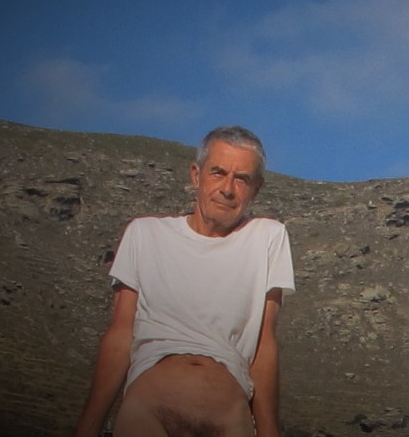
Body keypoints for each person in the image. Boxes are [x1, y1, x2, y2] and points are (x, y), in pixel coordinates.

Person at [72, 126, 295, 437]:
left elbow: (264, 344)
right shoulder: (144, 233)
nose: (228, 189)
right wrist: (87, 429)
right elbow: (120, 335)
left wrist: (269, 433)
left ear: (256, 188)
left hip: (228, 418)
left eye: (241, 179)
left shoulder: (268, 237)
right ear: (196, 175)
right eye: (218, 172)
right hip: (149, 412)